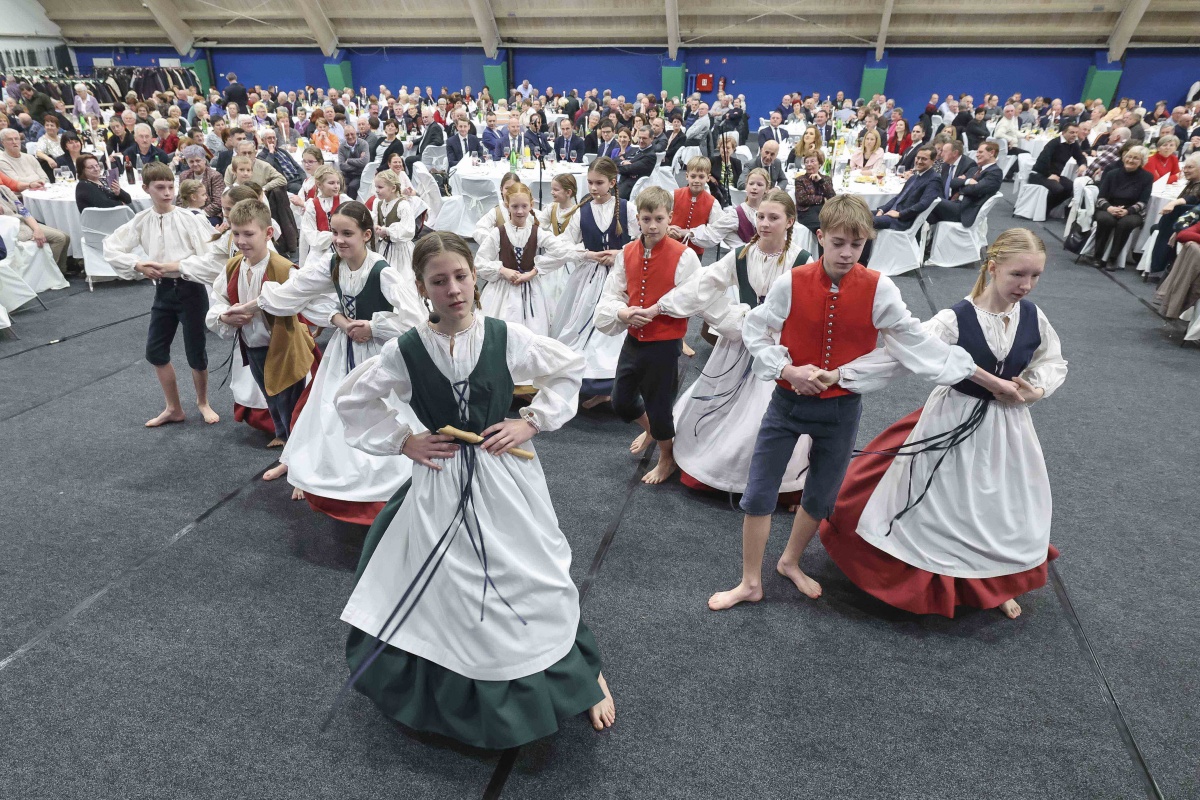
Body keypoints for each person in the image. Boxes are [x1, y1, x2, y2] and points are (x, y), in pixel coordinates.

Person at [331, 230, 615, 748]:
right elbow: (352, 401)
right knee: (449, 589)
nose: (454, 289)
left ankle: (583, 673)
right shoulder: (406, 350)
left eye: (461, 276)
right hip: (439, 482)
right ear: (422, 288)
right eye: (439, 281)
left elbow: (569, 368)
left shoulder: (506, 336)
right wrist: (404, 440)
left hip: (502, 476)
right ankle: (455, 690)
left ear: (474, 278)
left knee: (532, 574)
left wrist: (529, 422)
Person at [706, 194, 1021, 611]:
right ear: (820, 238)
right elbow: (756, 331)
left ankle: (790, 561)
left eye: (857, 245)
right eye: (838, 243)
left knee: (820, 494)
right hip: (785, 404)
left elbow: (916, 343)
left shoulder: (879, 288)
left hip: (840, 410)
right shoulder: (792, 281)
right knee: (760, 491)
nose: (848, 253)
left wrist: (986, 378)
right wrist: (788, 371)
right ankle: (749, 582)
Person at [819, 228, 1067, 619]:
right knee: (946, 503)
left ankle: (998, 580)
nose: (1027, 285)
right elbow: (902, 355)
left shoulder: (1034, 316)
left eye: (1035, 276)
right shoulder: (955, 318)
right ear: (992, 267)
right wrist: (842, 376)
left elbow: (1051, 361)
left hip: (1009, 429)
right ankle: (943, 578)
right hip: (954, 417)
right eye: (1018, 274)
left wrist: (1035, 390)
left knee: (1002, 505)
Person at [239, 200, 422, 516]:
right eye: (334, 232)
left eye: (347, 233)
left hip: (379, 354)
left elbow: (415, 320)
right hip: (344, 348)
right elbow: (297, 292)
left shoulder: (383, 272)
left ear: (366, 235)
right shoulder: (332, 263)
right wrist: (339, 320)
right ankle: (319, 475)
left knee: (383, 409)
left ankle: (379, 479)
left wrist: (374, 325)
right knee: (328, 409)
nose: (338, 240)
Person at [657, 188, 812, 499]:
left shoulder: (802, 261)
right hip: (740, 346)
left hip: (782, 351)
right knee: (719, 405)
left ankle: (779, 482)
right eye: (761, 217)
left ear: (790, 221)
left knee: (765, 414)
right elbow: (704, 284)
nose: (764, 223)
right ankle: (708, 465)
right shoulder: (741, 255)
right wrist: (662, 306)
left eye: (773, 218)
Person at [596, 185, 702, 485]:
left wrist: (657, 310)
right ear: (638, 221)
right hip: (634, 338)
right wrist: (622, 313)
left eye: (658, 218)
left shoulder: (684, 256)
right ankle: (653, 429)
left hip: (665, 343)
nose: (652, 225)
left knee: (659, 404)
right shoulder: (628, 251)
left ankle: (667, 458)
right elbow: (612, 293)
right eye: (646, 219)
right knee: (622, 401)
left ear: (670, 218)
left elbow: (692, 298)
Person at [102, 162, 221, 427]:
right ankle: (173, 407)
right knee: (155, 351)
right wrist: (137, 264)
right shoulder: (141, 220)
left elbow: (213, 257)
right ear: (147, 189)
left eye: (170, 187)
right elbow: (110, 246)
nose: (167, 192)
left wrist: (176, 266)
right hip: (163, 293)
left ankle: (203, 402)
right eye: (160, 187)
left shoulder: (190, 219)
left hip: (190, 290)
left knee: (196, 351)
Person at [207, 198, 317, 469]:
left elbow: (310, 302)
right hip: (253, 347)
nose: (241, 241)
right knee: (272, 401)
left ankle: (299, 463)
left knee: (291, 406)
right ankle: (285, 444)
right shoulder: (233, 266)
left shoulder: (283, 268)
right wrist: (223, 315)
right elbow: (218, 298)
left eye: (249, 234)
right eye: (236, 233)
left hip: (284, 348)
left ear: (268, 233)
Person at [553, 158, 638, 408]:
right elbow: (564, 246)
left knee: (614, 329)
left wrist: (619, 255)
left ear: (612, 183)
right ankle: (583, 381)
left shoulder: (626, 208)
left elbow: (641, 241)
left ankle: (612, 385)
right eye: (590, 182)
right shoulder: (582, 211)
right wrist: (588, 255)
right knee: (580, 325)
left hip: (620, 277)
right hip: (588, 278)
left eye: (599, 183)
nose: (593, 188)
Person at [476, 181, 575, 337]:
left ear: (531, 205)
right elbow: (480, 262)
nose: (520, 211)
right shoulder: (498, 233)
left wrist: (534, 271)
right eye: (515, 206)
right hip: (502, 291)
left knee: (532, 332)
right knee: (502, 331)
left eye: (524, 206)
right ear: (507, 205)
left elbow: (562, 251)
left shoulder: (537, 232)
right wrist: (502, 270)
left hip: (531, 291)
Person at [1091, 146, 1153, 271]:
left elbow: (1143, 201)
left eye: (1136, 158)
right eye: (1129, 157)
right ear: (1124, 158)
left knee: (1125, 224)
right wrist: (1109, 208)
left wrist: (1127, 211)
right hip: (1108, 207)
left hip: (1133, 211)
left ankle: (1113, 258)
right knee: (1106, 220)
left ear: (1142, 162)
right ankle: (1097, 256)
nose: (1131, 160)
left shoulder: (1147, 177)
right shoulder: (1112, 174)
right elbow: (1101, 197)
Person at [1148, 154, 1200, 278]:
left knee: (1157, 228)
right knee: (1156, 227)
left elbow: (1191, 198)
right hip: (1183, 223)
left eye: (1190, 167)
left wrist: (1173, 203)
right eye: (1185, 167)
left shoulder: (1197, 186)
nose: (1185, 170)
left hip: (1190, 225)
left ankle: (1161, 266)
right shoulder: (1193, 183)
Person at [928, 141, 1002, 225]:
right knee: (927, 214)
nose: (977, 155)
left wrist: (962, 185)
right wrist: (967, 181)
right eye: (977, 152)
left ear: (991, 153)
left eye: (980, 152)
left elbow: (975, 190)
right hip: (954, 204)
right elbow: (953, 183)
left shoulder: (995, 172)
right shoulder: (975, 169)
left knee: (930, 199)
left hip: (964, 210)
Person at [873, 144, 942, 230]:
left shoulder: (934, 179)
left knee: (865, 222)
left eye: (924, 159)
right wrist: (882, 210)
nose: (919, 161)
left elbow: (923, 204)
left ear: (933, 161)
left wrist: (900, 214)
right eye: (918, 158)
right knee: (859, 214)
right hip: (891, 213)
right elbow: (898, 198)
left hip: (902, 220)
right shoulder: (914, 177)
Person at [668, 156, 724, 260]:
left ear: (708, 178)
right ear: (686, 176)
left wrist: (689, 233)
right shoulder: (673, 195)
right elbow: (660, 217)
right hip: (669, 248)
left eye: (701, 177)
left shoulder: (712, 203)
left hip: (694, 254)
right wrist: (667, 229)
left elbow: (715, 231)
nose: (696, 180)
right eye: (693, 176)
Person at [1029, 122, 1087, 215]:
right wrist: (1049, 175)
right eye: (1072, 132)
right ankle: (1041, 210)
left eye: (1076, 133)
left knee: (1072, 188)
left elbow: (1080, 157)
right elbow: (1043, 160)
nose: (1075, 135)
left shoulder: (1073, 144)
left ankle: (1046, 208)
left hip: (1056, 175)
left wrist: (1083, 164)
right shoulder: (1054, 143)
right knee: (1058, 189)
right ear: (1064, 132)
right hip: (1039, 174)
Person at [301, 164, 352, 267]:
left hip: (343, 248)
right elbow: (309, 233)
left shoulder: (343, 200)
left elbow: (362, 213)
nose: (336, 186)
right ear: (319, 185)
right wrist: (331, 236)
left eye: (338, 183)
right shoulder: (312, 205)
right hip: (320, 253)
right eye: (331, 183)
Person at [793, 153, 836, 236]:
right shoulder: (800, 180)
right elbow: (802, 199)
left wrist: (820, 181)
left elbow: (832, 197)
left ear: (820, 164)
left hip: (824, 210)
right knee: (822, 229)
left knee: (837, 226)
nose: (809, 164)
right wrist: (822, 199)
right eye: (806, 162)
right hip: (807, 211)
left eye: (812, 161)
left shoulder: (826, 179)